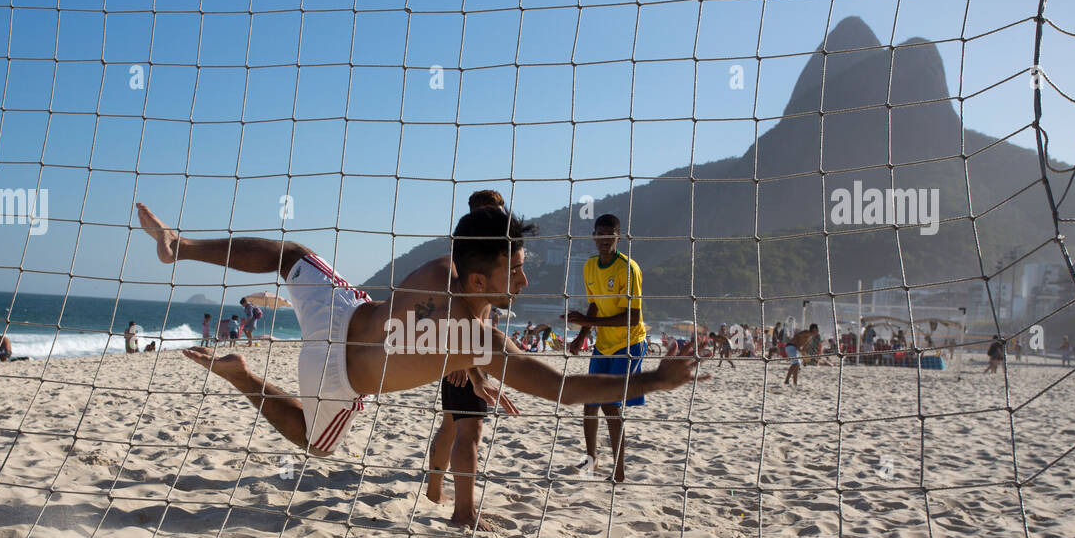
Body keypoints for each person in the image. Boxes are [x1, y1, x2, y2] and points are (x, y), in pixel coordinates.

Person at [135, 202, 706, 467]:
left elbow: (417, 328)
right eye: (516, 270)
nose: (526, 279)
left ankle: (178, 245)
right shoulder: (479, 338)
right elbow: (563, 391)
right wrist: (653, 380)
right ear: (482, 277)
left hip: (341, 311)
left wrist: (460, 363)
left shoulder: (438, 271)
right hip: (337, 377)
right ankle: (246, 379)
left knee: (291, 255)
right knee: (313, 443)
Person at [427, 190, 517, 529]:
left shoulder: (474, 253)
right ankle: (463, 514)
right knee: (471, 431)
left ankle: (435, 493)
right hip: (463, 352)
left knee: (451, 425)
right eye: (489, 213)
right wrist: (471, 368)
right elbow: (458, 315)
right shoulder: (468, 257)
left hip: (460, 350)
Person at [561, 213, 648, 482]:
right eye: (600, 235)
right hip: (604, 344)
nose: (605, 240)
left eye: (610, 236)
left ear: (618, 237)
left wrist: (588, 321)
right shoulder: (589, 266)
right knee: (590, 402)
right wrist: (581, 336)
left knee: (610, 405)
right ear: (594, 236)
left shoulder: (628, 268)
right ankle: (592, 460)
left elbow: (632, 316)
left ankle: (619, 471)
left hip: (629, 343)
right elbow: (595, 304)